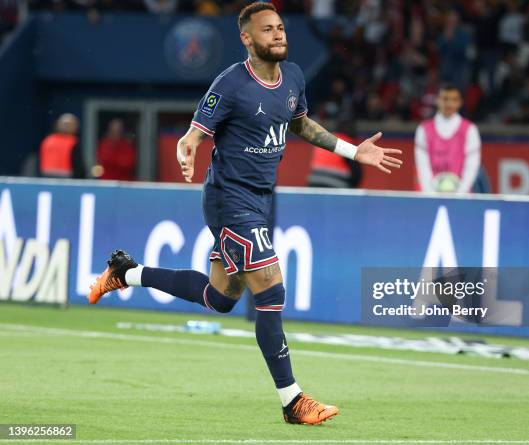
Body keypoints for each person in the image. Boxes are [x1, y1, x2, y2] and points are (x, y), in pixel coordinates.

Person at [88, 2, 402, 425]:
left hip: (258, 199)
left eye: (281, 28)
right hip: (228, 199)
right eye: (268, 30)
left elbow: (301, 124)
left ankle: (126, 273)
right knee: (270, 289)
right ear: (247, 38)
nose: (279, 35)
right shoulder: (231, 84)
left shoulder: (293, 76)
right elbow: (194, 134)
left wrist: (352, 150)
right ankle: (293, 401)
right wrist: (186, 151)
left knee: (220, 297)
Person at [414, 84, 481, 193]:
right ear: (438, 100)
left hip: (461, 197)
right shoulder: (423, 130)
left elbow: (471, 166)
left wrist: (460, 194)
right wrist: (431, 194)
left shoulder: (470, 130)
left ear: (460, 102)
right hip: (429, 195)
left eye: (454, 100)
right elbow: (422, 166)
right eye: (445, 99)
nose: (449, 104)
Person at [39, 113, 85, 179]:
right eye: (65, 124)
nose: (66, 127)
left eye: (70, 125)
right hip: (48, 177)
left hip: (67, 177)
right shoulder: (48, 140)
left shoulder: (73, 141)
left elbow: (79, 165)